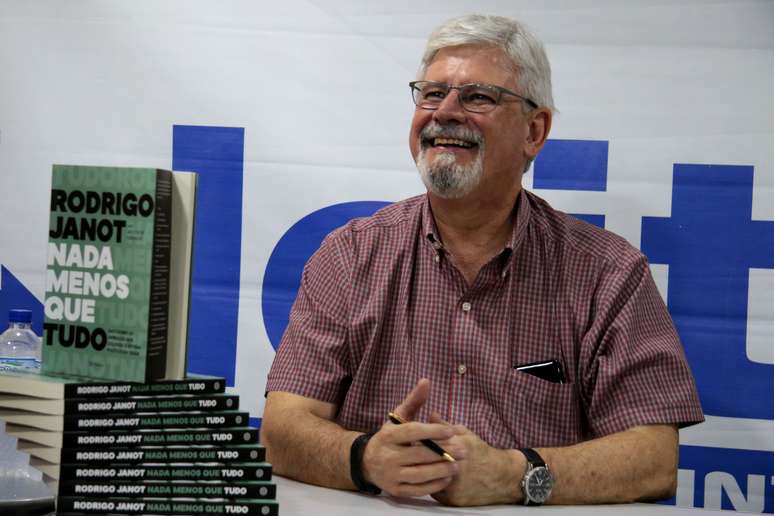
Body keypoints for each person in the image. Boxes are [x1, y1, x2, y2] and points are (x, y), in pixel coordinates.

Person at [261, 14, 703, 507]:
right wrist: (365, 458)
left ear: (534, 131)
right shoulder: (350, 256)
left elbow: (654, 459)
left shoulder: (607, 273)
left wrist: (513, 475)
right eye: (432, 93)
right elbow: (281, 430)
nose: (445, 112)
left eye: (478, 97)